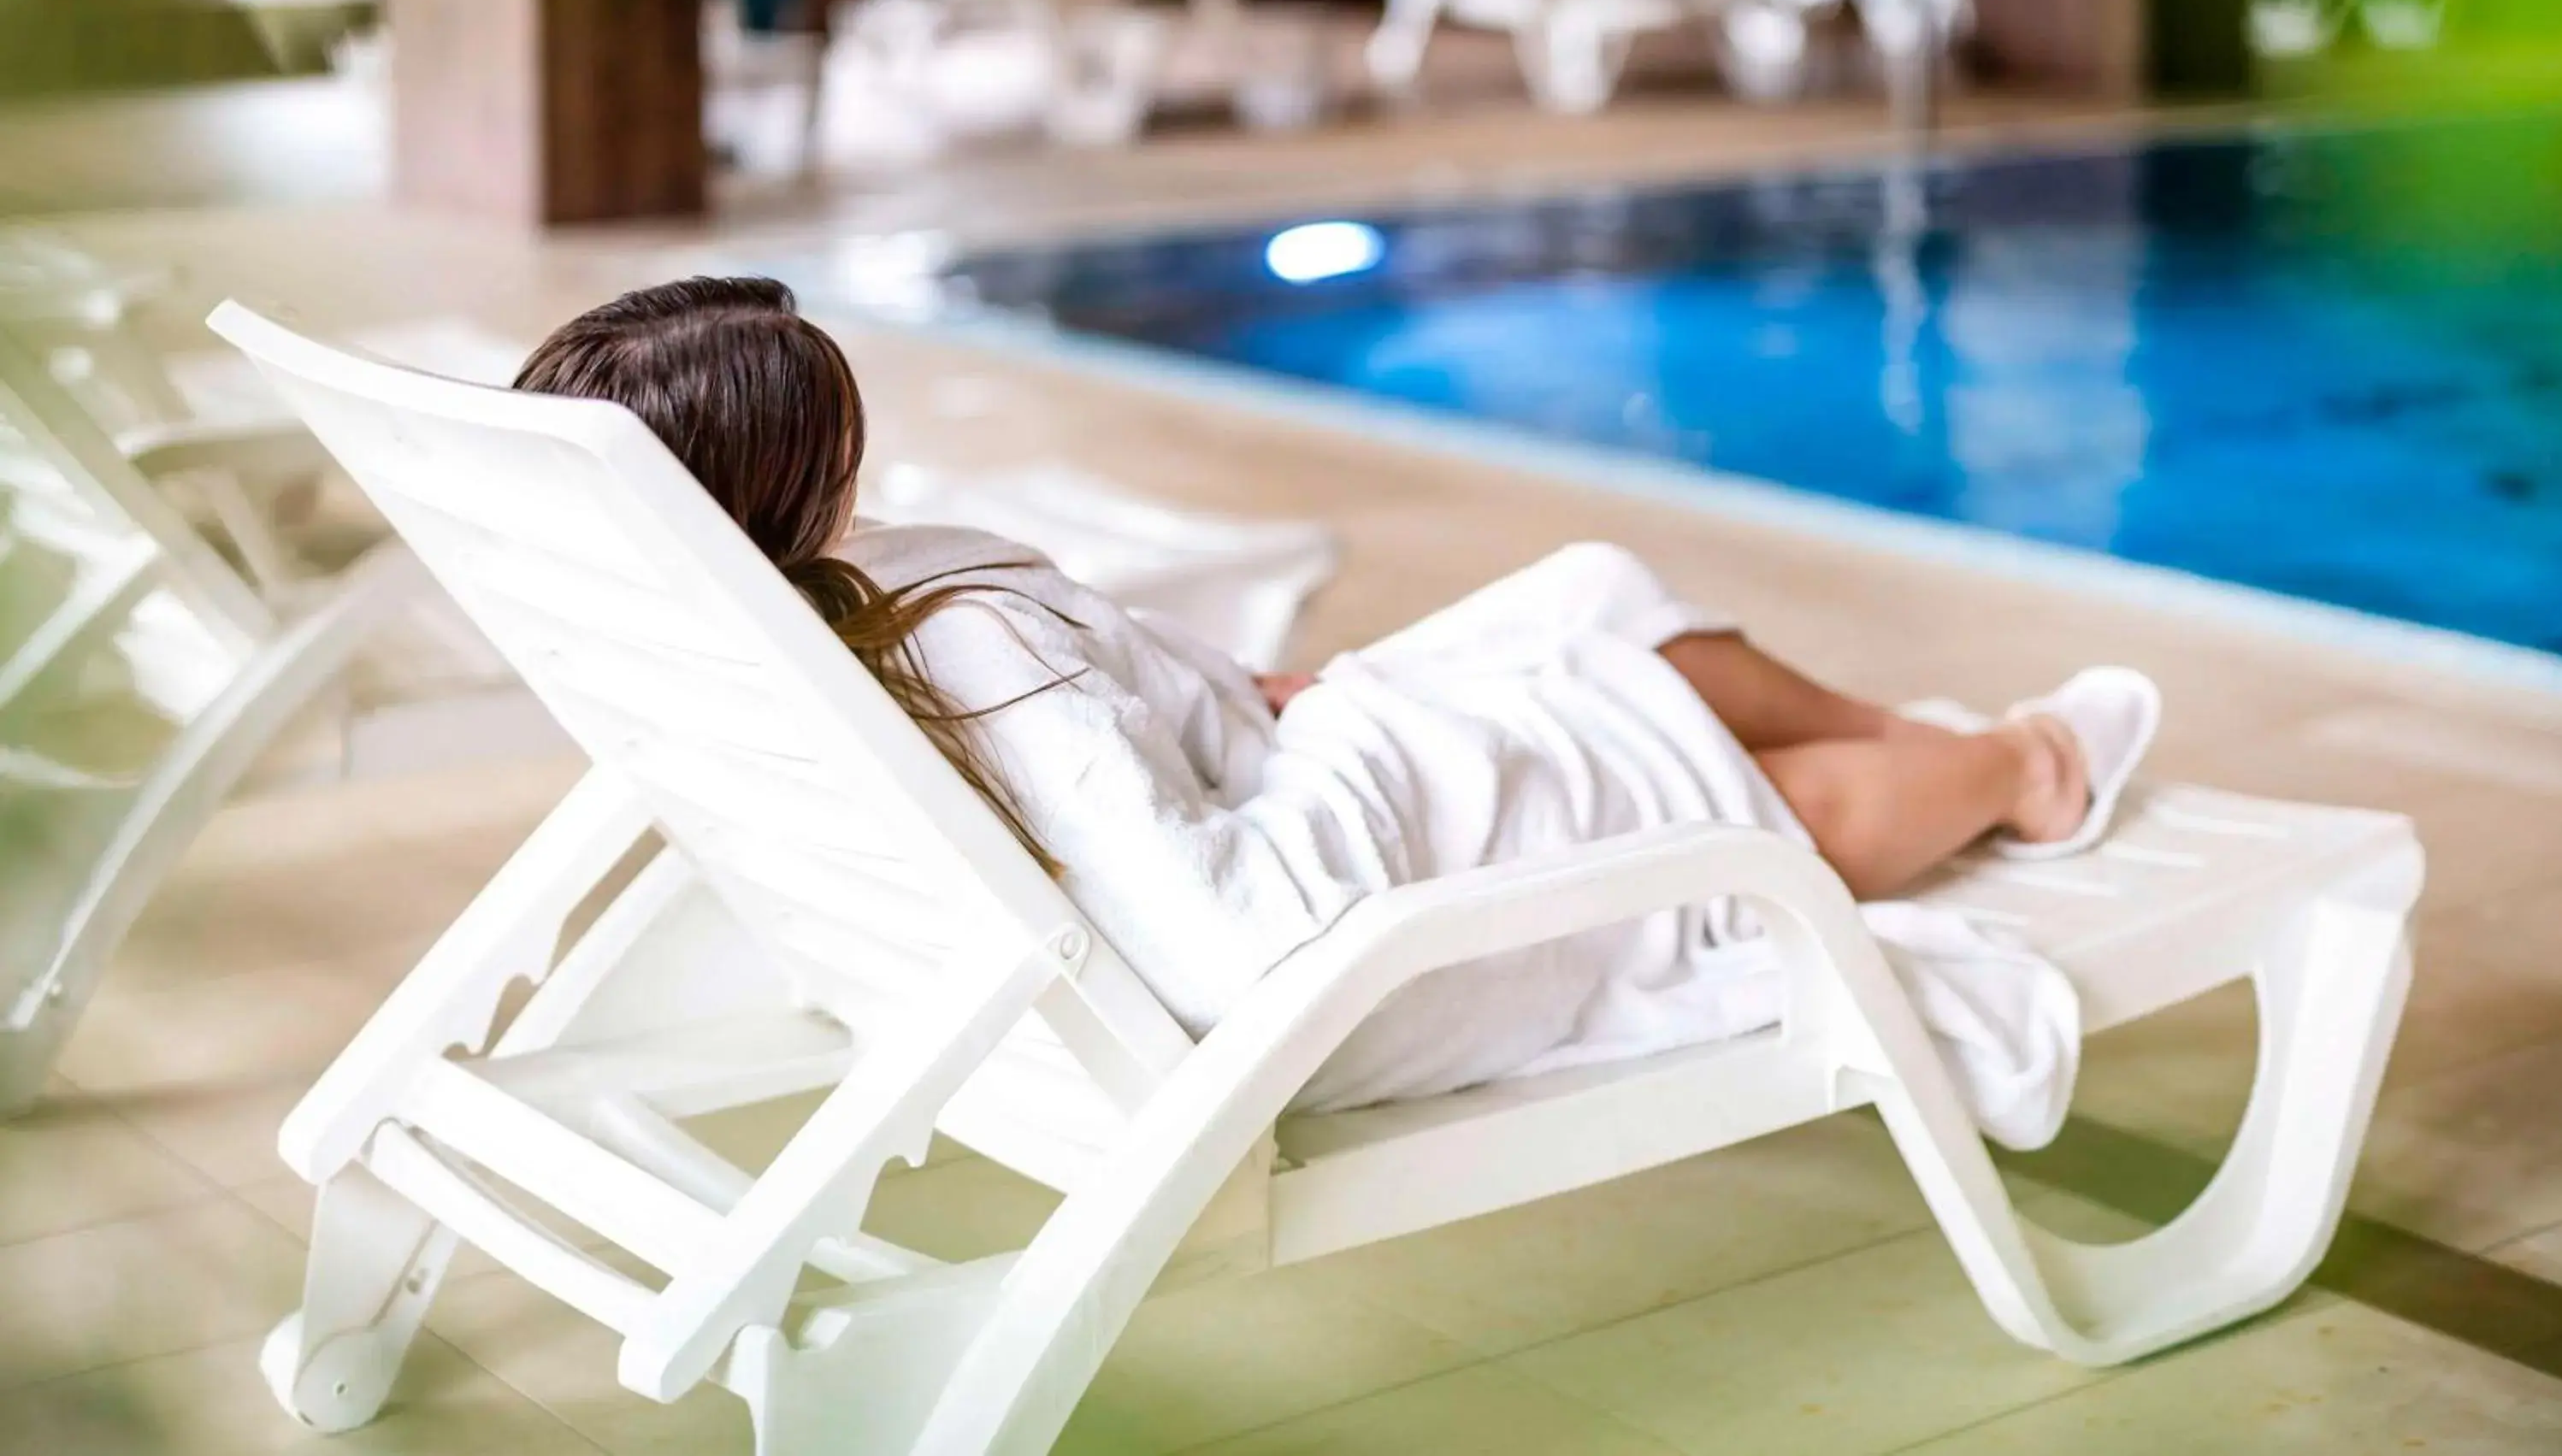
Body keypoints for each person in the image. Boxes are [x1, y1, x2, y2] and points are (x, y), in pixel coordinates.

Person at [514, 276, 2156, 1130]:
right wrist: (1355, 735)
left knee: (1582, 592)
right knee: (1691, 785)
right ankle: (2019, 766)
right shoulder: (967, 658)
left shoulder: (756, 633)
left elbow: (1127, 758)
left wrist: (1257, 697)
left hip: (1273, 819)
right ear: (779, 480)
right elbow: (1240, 941)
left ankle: (1906, 732)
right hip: (1357, 965)